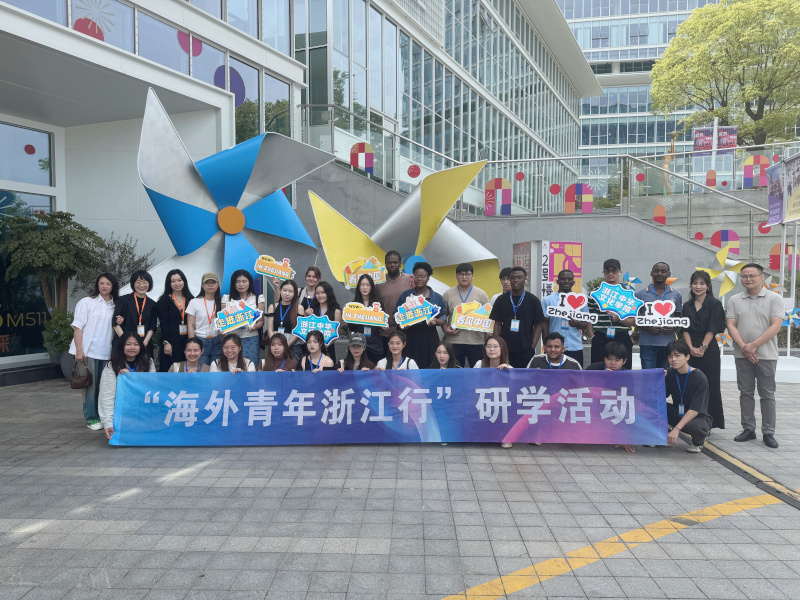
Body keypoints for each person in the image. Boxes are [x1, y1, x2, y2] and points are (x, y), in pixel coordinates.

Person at [726, 263, 784, 448]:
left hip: (766, 355)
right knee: (745, 392)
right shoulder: (734, 299)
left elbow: (776, 325)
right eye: (744, 276)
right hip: (742, 354)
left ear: (761, 277)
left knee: (767, 393)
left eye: (752, 275)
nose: (748, 279)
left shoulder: (774, 298)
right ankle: (748, 428)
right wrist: (745, 348)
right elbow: (731, 325)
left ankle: (768, 432)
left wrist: (753, 346)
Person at [69, 272, 120, 430]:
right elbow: (78, 328)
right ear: (97, 285)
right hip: (88, 352)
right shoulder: (86, 302)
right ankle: (91, 418)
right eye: (102, 283)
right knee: (90, 386)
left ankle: (104, 416)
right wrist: (79, 350)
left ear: (113, 286)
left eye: (108, 284)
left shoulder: (116, 305)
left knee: (105, 387)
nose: (104, 286)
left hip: (107, 352)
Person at [682, 271, 726, 430]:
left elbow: (712, 328)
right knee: (690, 385)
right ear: (691, 285)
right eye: (695, 283)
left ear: (708, 286)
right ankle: (689, 421)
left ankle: (709, 422)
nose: (698, 286)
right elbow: (684, 328)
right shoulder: (686, 305)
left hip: (709, 351)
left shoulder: (715, 304)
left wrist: (703, 347)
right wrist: (690, 348)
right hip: (689, 350)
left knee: (710, 385)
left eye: (702, 283)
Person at [98, 332, 156, 440]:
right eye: (128, 344)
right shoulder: (111, 366)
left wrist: (132, 377)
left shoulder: (148, 362)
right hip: (122, 410)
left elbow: (152, 387)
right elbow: (106, 397)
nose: (132, 347)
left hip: (143, 408)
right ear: (122, 346)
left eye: (136, 344)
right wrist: (108, 423)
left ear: (140, 346)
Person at [489, 266, 545, 368]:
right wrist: (496, 344)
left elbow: (538, 324)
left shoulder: (533, 300)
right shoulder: (501, 300)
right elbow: (497, 323)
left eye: (519, 277)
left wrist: (532, 346)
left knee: (524, 376)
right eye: (513, 278)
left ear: (525, 279)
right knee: (505, 374)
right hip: (505, 348)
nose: (516, 280)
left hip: (526, 349)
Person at [586, 342, 635, 453]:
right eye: (609, 359)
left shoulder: (628, 376)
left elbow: (629, 404)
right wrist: (604, 379)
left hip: (615, 409)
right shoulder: (593, 369)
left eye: (617, 360)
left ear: (624, 361)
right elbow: (585, 392)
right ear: (604, 358)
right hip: (595, 407)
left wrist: (625, 436)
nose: (612, 363)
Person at [395, 262, 446, 369]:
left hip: (429, 337)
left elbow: (443, 318)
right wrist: (403, 324)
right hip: (410, 337)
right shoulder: (406, 295)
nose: (419, 279)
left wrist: (435, 321)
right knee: (410, 366)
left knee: (430, 366)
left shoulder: (437, 297)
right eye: (416, 276)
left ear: (428, 278)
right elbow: (397, 316)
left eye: (422, 276)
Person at [665, 340, 712, 453]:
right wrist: (658, 380)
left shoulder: (699, 378)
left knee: (696, 426)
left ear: (687, 357)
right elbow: (660, 396)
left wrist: (676, 429)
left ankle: (698, 441)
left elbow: (695, 409)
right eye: (670, 356)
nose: (673, 359)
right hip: (678, 411)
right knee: (653, 406)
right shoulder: (670, 373)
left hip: (696, 415)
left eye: (677, 355)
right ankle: (662, 434)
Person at [587, 259, 634, 370]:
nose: (611, 273)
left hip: (622, 336)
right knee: (597, 369)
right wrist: (592, 336)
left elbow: (634, 320)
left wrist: (620, 319)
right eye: (607, 271)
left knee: (624, 370)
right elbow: (588, 317)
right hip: (601, 336)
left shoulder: (628, 293)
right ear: (603, 272)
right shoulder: (594, 293)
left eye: (614, 270)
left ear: (620, 272)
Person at [635, 262, 682, 369]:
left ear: (669, 274)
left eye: (663, 271)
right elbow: (634, 319)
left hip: (668, 344)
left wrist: (673, 328)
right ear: (651, 273)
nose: (659, 273)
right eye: (656, 271)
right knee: (648, 376)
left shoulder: (676, 295)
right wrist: (647, 327)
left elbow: (679, 318)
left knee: (664, 375)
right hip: (647, 344)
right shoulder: (640, 294)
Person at [441, 263, 490, 368]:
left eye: (467, 274)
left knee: (478, 371)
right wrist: (444, 328)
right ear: (456, 276)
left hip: (476, 341)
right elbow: (443, 316)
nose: (464, 277)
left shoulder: (481, 294)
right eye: (461, 274)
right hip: (454, 341)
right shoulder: (448, 294)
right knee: (455, 371)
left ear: (472, 276)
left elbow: (488, 316)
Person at [541, 269, 591, 367]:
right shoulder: (548, 300)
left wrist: (577, 324)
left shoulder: (581, 301)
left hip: (574, 346)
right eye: (563, 279)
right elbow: (545, 324)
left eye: (569, 279)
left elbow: (585, 323)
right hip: (554, 348)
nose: (566, 281)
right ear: (557, 281)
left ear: (573, 282)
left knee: (575, 375)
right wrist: (546, 345)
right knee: (553, 374)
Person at [474, 336, 513, 448]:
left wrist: (509, 373)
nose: (491, 349)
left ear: (502, 348)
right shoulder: (479, 364)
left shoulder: (509, 368)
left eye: (495, 346)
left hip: (500, 404)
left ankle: (506, 435)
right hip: (482, 401)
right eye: (489, 346)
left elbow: (514, 391)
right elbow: (472, 385)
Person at [222, 270, 265, 366]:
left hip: (251, 338)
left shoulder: (257, 298)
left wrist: (254, 327)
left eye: (244, 281)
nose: (241, 284)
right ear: (233, 283)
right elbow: (223, 321)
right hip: (232, 339)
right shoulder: (227, 299)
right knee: (232, 366)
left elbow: (261, 321)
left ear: (249, 282)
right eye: (238, 282)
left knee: (251, 365)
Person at [156, 269, 194, 373]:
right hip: (171, 342)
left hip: (187, 342)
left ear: (184, 281)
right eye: (173, 281)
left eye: (179, 280)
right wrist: (166, 342)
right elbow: (163, 323)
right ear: (169, 284)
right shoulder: (163, 301)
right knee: (170, 371)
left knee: (187, 371)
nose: (177, 283)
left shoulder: (191, 300)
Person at [376, 250, 413, 356]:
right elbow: (376, 305)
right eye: (389, 262)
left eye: (395, 262)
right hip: (385, 332)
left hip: (406, 330)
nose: (392, 265)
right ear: (385, 264)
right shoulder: (378, 282)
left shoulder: (410, 280)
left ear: (400, 263)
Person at [113, 270, 157, 357]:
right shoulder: (123, 300)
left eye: (145, 282)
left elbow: (152, 326)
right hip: (123, 344)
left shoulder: (152, 304)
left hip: (144, 344)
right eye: (138, 282)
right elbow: (114, 323)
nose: (142, 285)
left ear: (149, 284)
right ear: (133, 284)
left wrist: (144, 343)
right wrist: (127, 342)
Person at [186, 273, 222, 365]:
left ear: (217, 285)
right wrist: (192, 344)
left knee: (216, 368)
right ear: (202, 286)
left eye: (213, 282)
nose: (210, 285)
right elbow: (190, 325)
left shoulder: (222, 302)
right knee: (202, 369)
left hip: (217, 340)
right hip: (200, 340)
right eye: (207, 283)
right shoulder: (194, 302)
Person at [349, 274, 385, 364]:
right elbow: (351, 327)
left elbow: (382, 324)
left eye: (367, 285)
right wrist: (348, 315)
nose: (365, 287)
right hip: (359, 344)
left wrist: (383, 326)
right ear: (359, 287)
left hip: (375, 344)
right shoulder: (353, 305)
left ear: (371, 287)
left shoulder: (378, 304)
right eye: (362, 285)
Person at [265, 279, 303, 362]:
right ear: (280, 291)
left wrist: (286, 345)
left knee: (294, 368)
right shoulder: (273, 307)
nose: (287, 294)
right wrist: (276, 344)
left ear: (295, 293)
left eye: (290, 291)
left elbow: (299, 331)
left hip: (293, 345)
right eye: (284, 290)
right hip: (275, 346)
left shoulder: (299, 308)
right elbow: (270, 329)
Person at [306, 281, 342, 362]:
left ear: (328, 293)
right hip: (312, 348)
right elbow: (306, 328)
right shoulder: (312, 309)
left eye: (323, 293)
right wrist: (306, 314)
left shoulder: (336, 311)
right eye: (317, 293)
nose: (320, 296)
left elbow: (337, 333)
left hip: (328, 348)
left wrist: (323, 346)